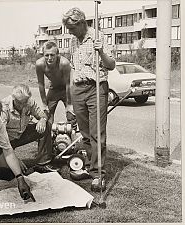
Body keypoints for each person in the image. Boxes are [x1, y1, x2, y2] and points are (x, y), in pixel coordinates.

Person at [62, 7, 116, 192]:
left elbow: (111, 65)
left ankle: (98, 174)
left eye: (72, 28)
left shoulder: (98, 37)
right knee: (84, 133)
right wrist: (70, 99)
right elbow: (73, 69)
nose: (70, 32)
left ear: (82, 23)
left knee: (97, 134)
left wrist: (101, 52)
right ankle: (90, 167)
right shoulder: (73, 41)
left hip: (96, 88)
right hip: (78, 89)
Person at [0, 84, 58, 180]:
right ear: (13, 97)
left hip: (21, 134)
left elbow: (43, 115)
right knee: (6, 175)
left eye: (24, 102)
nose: (22, 105)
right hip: (6, 140)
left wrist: (42, 120)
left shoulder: (29, 102)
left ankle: (43, 163)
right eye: (19, 102)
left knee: (47, 126)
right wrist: (14, 159)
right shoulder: (3, 108)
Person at [35, 41, 76, 126]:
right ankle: (48, 136)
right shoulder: (40, 64)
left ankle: (72, 134)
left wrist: (69, 104)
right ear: (43, 55)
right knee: (47, 114)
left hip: (67, 89)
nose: (49, 58)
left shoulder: (64, 63)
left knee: (71, 114)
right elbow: (41, 84)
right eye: (46, 55)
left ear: (57, 54)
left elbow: (69, 84)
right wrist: (44, 104)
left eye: (52, 55)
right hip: (54, 88)